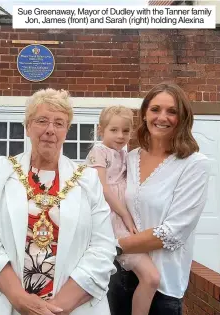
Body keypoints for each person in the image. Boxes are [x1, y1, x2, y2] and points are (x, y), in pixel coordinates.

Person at [0, 88, 116, 315]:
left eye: (59, 123)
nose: (50, 130)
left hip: (71, 307)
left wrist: (58, 308)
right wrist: (20, 300)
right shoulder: (2, 171)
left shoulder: (87, 179)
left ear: (67, 130)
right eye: (42, 121)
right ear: (28, 126)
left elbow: (103, 247)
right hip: (7, 303)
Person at [107, 82, 210, 315]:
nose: (162, 117)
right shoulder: (130, 158)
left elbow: (172, 232)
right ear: (144, 114)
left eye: (171, 111)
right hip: (120, 275)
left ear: (182, 117)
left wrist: (112, 245)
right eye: (155, 109)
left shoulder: (194, 165)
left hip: (162, 286)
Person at [86, 106, 160, 315]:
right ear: (101, 130)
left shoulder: (126, 154)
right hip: (112, 220)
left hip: (125, 218)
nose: (120, 136)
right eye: (114, 130)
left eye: (126, 131)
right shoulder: (99, 152)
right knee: (150, 277)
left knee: (146, 278)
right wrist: (125, 215)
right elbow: (102, 188)